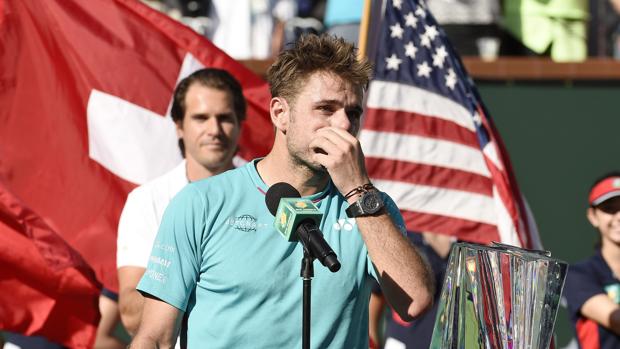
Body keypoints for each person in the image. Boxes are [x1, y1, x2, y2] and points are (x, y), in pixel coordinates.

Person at [130, 34, 433, 348]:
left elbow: (414, 302)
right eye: (326, 109)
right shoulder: (200, 203)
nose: (343, 125)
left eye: (353, 113)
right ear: (279, 113)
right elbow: (154, 337)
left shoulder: (370, 207)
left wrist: (358, 190)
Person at [116, 68, 245, 336]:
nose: (214, 129)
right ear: (179, 126)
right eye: (201, 118)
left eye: (224, 118)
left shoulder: (271, 193)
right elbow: (130, 313)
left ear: (240, 124)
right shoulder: (146, 201)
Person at [564, 171, 620, 349]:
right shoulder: (578, 275)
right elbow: (616, 320)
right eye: (609, 208)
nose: (618, 216)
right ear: (593, 216)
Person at [369, 232, 453, 349]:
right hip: (402, 341)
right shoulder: (403, 232)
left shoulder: (475, 235)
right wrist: (372, 343)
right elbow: (375, 295)